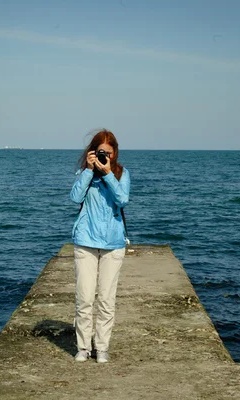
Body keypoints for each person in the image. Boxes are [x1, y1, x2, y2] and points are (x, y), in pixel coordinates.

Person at [69, 129, 130, 363]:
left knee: (106, 299)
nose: (106, 156)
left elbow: (122, 199)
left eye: (109, 153)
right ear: (92, 152)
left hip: (113, 243)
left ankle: (101, 347)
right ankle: (83, 347)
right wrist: (88, 170)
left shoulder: (122, 174)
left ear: (114, 154)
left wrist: (107, 175)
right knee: (84, 298)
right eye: (101, 152)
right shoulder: (86, 172)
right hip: (85, 241)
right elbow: (74, 198)